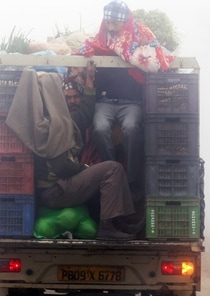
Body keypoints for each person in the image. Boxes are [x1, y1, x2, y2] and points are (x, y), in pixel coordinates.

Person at [6, 60, 143, 240]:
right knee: (113, 169)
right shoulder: (53, 127)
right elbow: (62, 167)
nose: (70, 101)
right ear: (55, 95)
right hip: (55, 191)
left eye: (74, 97)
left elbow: (84, 114)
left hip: (56, 190)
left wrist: (90, 81)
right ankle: (107, 227)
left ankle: (118, 221)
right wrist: (85, 168)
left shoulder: (52, 122)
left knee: (104, 176)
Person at [73, 0, 175, 202]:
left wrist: (133, 55)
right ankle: (113, 173)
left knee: (130, 127)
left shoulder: (140, 35)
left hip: (132, 102)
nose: (111, 26)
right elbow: (84, 52)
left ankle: (131, 179)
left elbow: (154, 56)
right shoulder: (100, 39)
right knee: (100, 128)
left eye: (115, 23)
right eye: (108, 22)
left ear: (125, 20)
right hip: (105, 101)